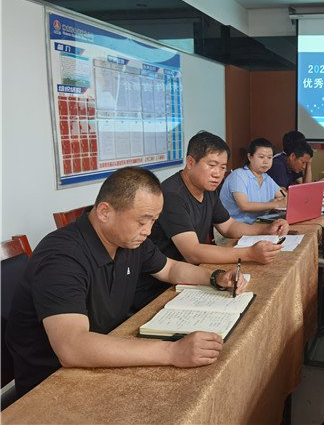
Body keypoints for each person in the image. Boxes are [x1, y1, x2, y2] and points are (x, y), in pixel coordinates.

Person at [6, 167, 248, 397]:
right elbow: (72, 347)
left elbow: (170, 269)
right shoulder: (61, 257)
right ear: (104, 212)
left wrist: (215, 277)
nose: (148, 231)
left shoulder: (128, 240)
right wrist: (172, 351)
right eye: (142, 221)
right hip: (52, 383)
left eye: (153, 221)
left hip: (109, 350)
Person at [134, 131, 288, 311]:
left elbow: (228, 226)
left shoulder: (207, 189)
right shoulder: (172, 195)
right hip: (158, 287)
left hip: (192, 273)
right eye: (212, 165)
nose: (218, 174)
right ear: (190, 162)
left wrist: (266, 230)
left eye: (223, 167)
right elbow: (192, 252)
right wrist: (250, 253)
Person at [220, 138, 286, 224]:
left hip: (257, 223)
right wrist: (275, 204)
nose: (266, 161)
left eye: (270, 157)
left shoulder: (266, 178)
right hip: (234, 225)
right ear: (250, 157)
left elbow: (284, 196)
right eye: (261, 157)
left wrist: (280, 200)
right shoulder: (238, 175)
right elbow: (244, 206)